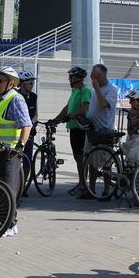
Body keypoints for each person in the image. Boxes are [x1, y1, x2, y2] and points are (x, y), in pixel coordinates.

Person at [0, 66, 32, 237]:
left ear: (11, 83)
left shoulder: (15, 99)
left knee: (8, 189)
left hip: (10, 152)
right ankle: (7, 224)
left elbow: (26, 125)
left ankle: (9, 226)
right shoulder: (1, 97)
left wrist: (20, 147)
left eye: (0, 81)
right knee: (0, 188)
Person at [53, 66, 92, 196]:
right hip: (73, 127)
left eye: (70, 77)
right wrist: (56, 119)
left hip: (80, 128)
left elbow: (84, 109)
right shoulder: (75, 91)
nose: (69, 79)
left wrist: (71, 116)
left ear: (76, 78)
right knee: (77, 157)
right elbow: (67, 107)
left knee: (81, 158)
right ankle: (81, 183)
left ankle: (83, 184)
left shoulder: (85, 90)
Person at [83, 63, 119, 201]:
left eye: (94, 76)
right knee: (90, 160)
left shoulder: (112, 89)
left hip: (104, 130)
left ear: (101, 76)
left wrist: (97, 89)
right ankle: (91, 189)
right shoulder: (94, 89)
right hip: (92, 129)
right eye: (92, 76)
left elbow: (104, 105)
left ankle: (106, 191)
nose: (92, 79)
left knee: (106, 162)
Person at [17, 71, 37, 196]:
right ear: (23, 84)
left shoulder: (34, 96)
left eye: (33, 83)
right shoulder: (16, 96)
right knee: (16, 160)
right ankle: (16, 185)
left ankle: (22, 186)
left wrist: (32, 124)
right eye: (30, 83)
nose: (32, 85)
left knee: (27, 160)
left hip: (29, 131)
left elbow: (35, 113)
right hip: (17, 132)